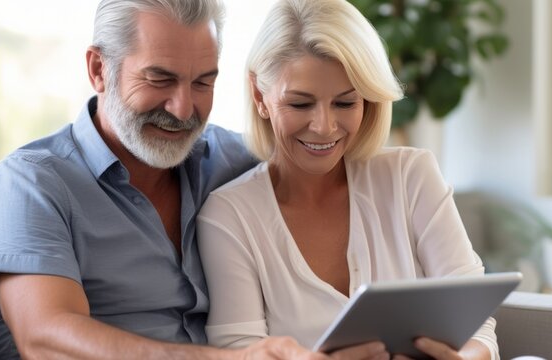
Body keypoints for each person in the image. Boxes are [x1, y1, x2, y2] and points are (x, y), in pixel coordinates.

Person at [0, 0, 391, 359]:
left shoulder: (234, 161)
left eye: (203, 82)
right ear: (99, 69)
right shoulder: (30, 183)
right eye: (160, 79)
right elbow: (45, 340)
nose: (182, 109)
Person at [196, 0, 499, 359]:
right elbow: (240, 354)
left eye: (344, 103)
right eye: (300, 104)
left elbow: (478, 325)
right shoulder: (229, 217)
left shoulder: (411, 176)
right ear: (260, 96)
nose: (324, 127)